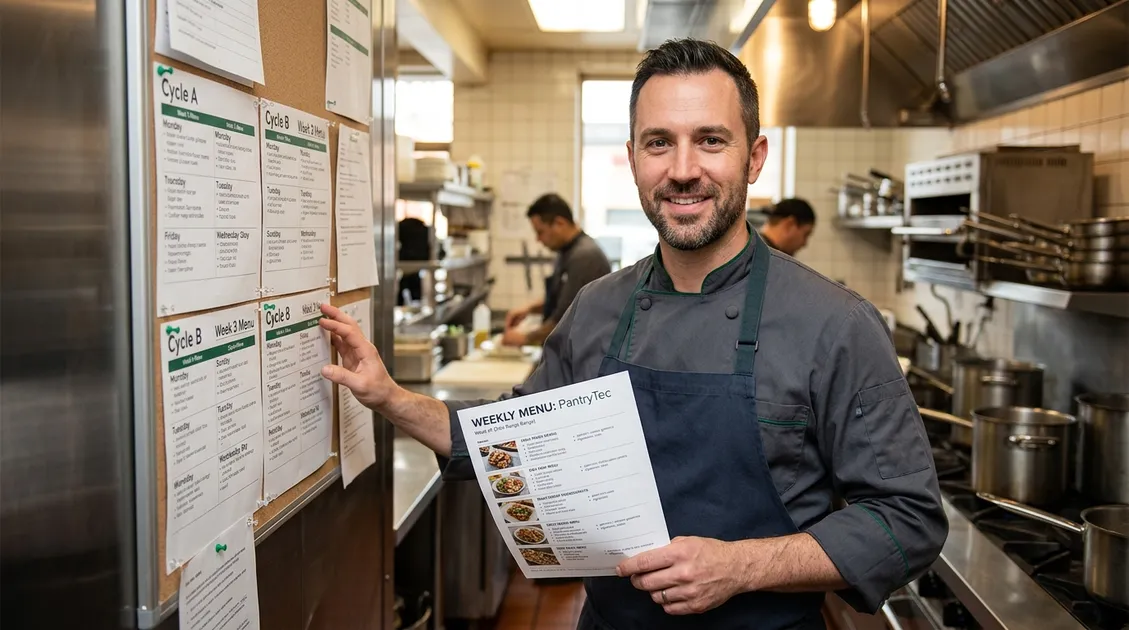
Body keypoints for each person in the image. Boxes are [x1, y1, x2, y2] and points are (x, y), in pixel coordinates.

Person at [319, 38, 946, 630]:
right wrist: (390, 397)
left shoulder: (834, 323)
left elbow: (906, 519)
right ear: (633, 158)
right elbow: (508, 441)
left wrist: (742, 567)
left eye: (710, 140)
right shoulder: (596, 309)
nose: (682, 169)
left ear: (754, 158)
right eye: (658, 143)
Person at [500, 193, 612, 347]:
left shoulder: (584, 257)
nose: (538, 240)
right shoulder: (567, 252)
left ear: (559, 223)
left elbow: (567, 319)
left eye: (540, 232)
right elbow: (565, 300)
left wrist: (524, 338)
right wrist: (529, 309)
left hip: (585, 353)